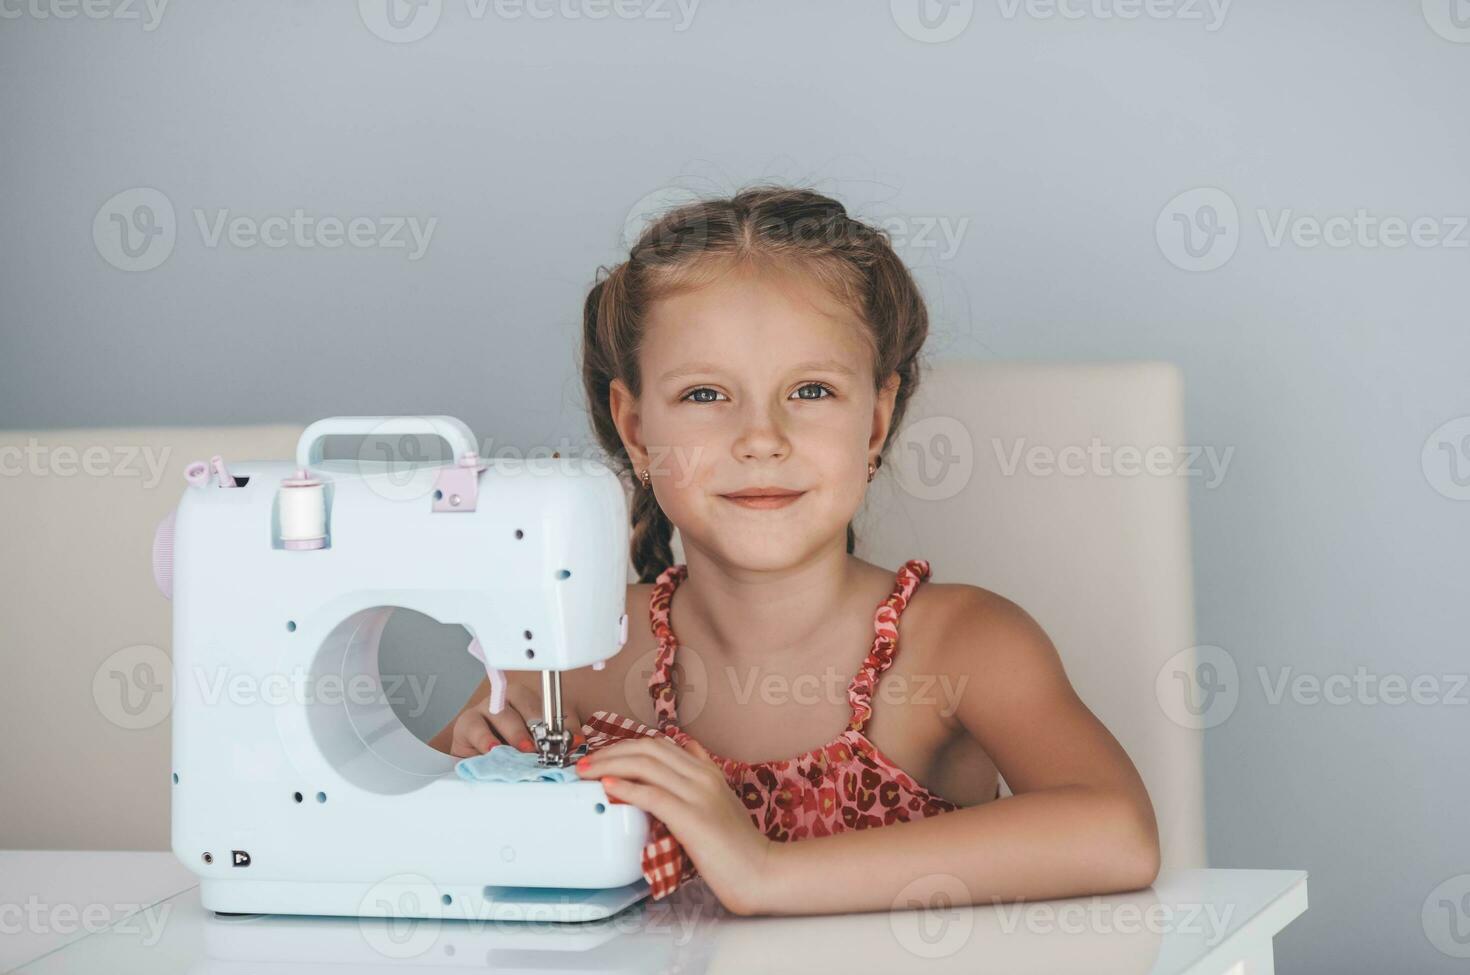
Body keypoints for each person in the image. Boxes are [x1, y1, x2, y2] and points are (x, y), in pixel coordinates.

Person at [430, 185, 1159, 916]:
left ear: (874, 423)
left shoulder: (959, 645)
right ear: (635, 428)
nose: (761, 438)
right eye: (705, 396)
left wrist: (766, 873)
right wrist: (475, 757)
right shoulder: (573, 655)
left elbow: (1117, 831)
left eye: (810, 390)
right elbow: (404, 829)